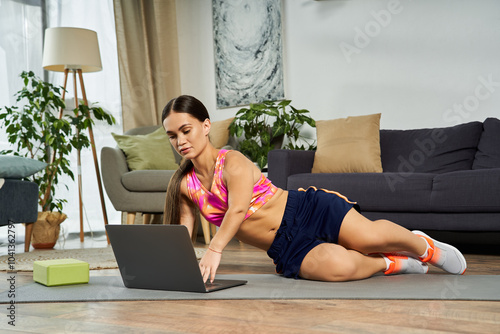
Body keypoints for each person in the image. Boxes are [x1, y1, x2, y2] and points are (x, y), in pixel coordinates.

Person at [162, 95, 467, 284]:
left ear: (205, 126)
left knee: (369, 238)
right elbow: (182, 234)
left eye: (186, 130)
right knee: (338, 267)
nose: (180, 141)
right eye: (172, 136)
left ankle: (423, 247)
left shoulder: (233, 161)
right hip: (283, 246)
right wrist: (174, 267)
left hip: (306, 210)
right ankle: (391, 263)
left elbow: (238, 209)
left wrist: (214, 249)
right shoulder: (185, 186)